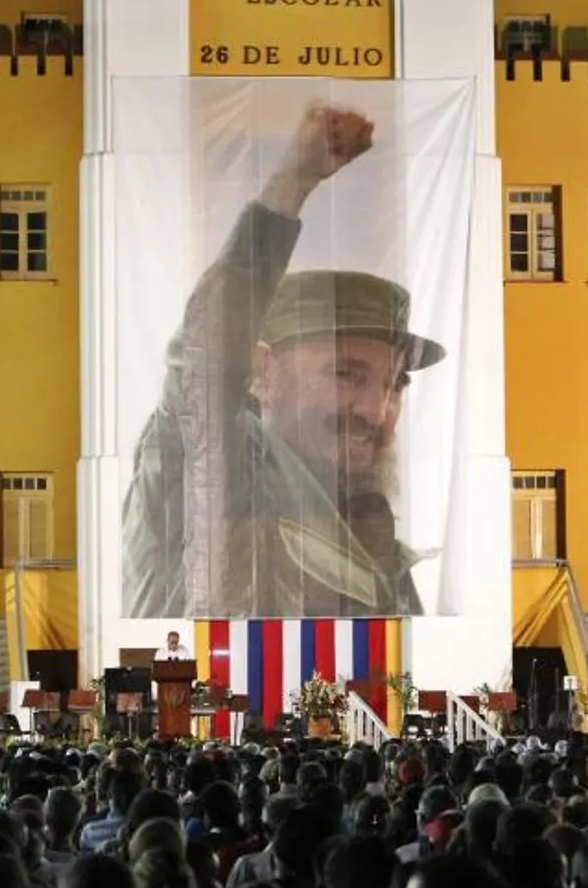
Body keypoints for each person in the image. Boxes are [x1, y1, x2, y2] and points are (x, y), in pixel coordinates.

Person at [121, 103, 448, 619]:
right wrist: (290, 189)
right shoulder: (213, 462)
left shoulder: (376, 539)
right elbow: (205, 360)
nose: (374, 409)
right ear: (264, 372)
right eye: (345, 374)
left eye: (393, 385)